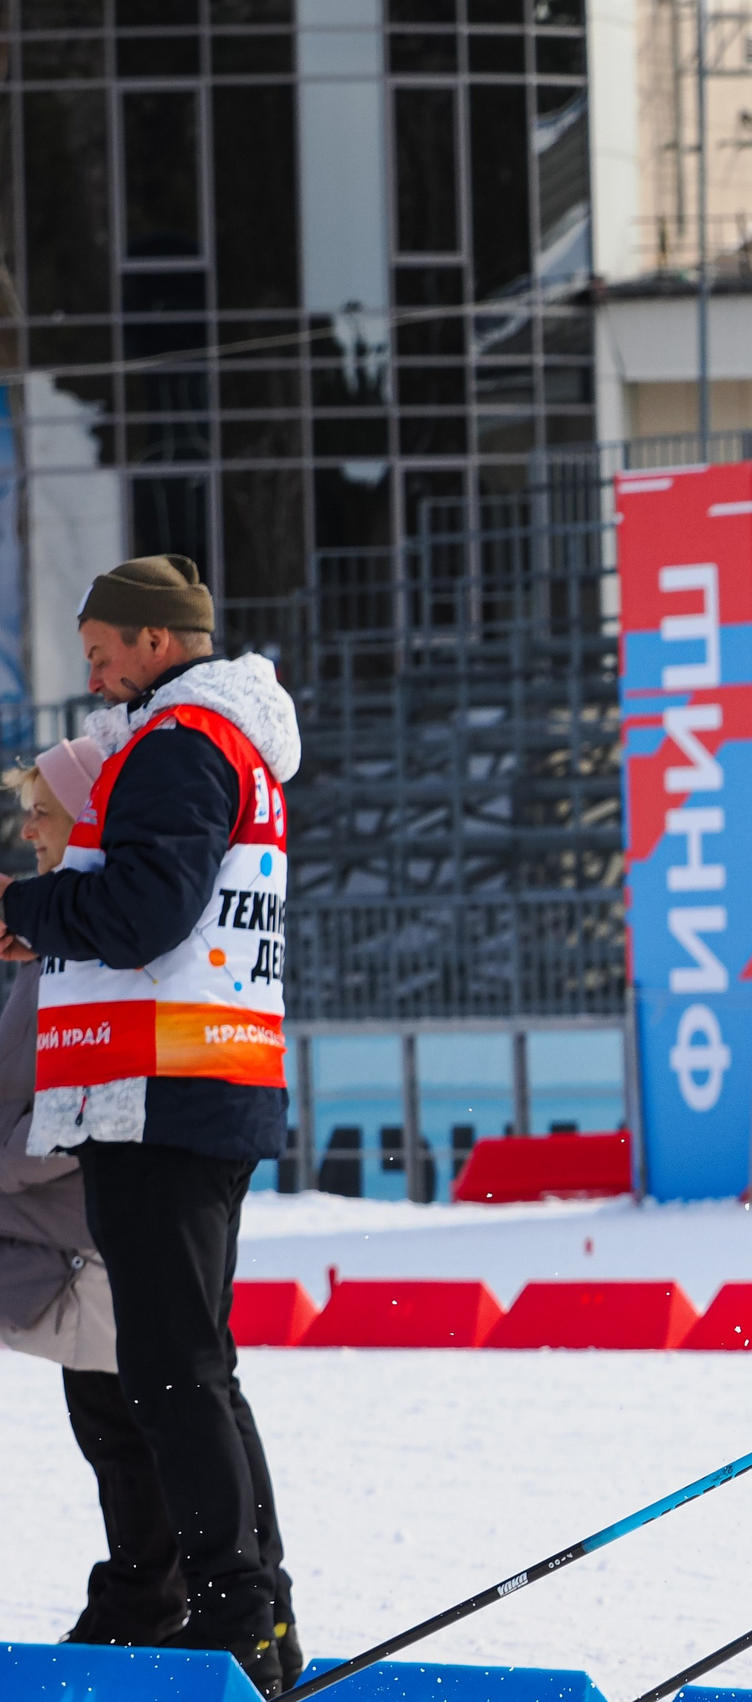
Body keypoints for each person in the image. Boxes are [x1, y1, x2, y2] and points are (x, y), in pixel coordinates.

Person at [0, 555, 303, 1695]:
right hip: (191, 1086)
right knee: (190, 1368)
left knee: (170, 1372)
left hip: (162, 1093)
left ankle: (235, 1613)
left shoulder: (179, 748)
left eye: (103, 650)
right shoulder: (216, 747)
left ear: (158, 642)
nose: (94, 670)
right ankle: (251, 1611)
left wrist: (24, 910)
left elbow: (143, 913)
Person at [0, 738, 190, 1646]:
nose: (26, 830)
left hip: (85, 1238)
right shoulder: (58, 933)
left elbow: (68, 1115)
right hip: (56, 1230)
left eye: (40, 811)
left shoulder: (92, 940)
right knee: (118, 1429)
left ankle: (146, 1602)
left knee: (128, 1430)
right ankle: (142, 1598)